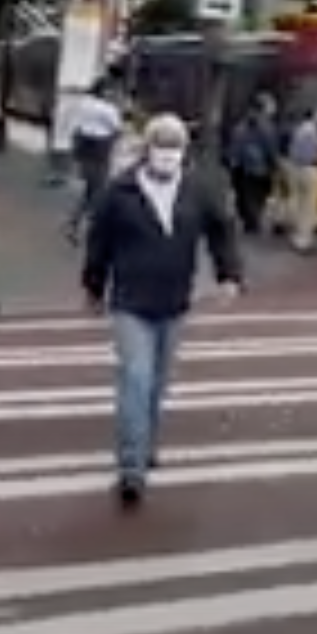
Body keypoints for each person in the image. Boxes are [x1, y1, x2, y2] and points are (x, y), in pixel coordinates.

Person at [81, 114, 244, 508]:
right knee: (135, 378)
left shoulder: (197, 190)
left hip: (174, 301)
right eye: (161, 145)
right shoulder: (120, 192)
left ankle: (146, 443)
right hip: (130, 302)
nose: (167, 154)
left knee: (157, 382)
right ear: (147, 148)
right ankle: (131, 468)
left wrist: (229, 274)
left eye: (175, 147)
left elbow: (222, 229)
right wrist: (93, 286)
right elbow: (98, 241)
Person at [60, 81, 127, 242]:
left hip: (84, 147)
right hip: (100, 149)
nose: (114, 94)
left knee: (91, 189)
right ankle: (88, 228)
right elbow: (118, 129)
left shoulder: (84, 103)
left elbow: (75, 124)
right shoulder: (108, 109)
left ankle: (74, 223)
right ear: (104, 91)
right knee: (98, 191)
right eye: (112, 91)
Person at [224, 94, 280, 236]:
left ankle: (249, 220)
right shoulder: (267, 126)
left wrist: (233, 161)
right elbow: (270, 147)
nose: (274, 108)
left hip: (242, 166)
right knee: (257, 195)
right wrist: (275, 164)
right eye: (272, 105)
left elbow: (235, 143)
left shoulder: (242, 124)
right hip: (259, 167)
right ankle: (252, 220)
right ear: (265, 107)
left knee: (244, 194)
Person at [281, 105, 317, 252]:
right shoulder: (314, 133)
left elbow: (291, 151)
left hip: (296, 169)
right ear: (313, 116)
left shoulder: (297, 131)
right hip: (310, 170)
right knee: (309, 206)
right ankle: (303, 240)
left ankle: (296, 236)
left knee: (298, 203)